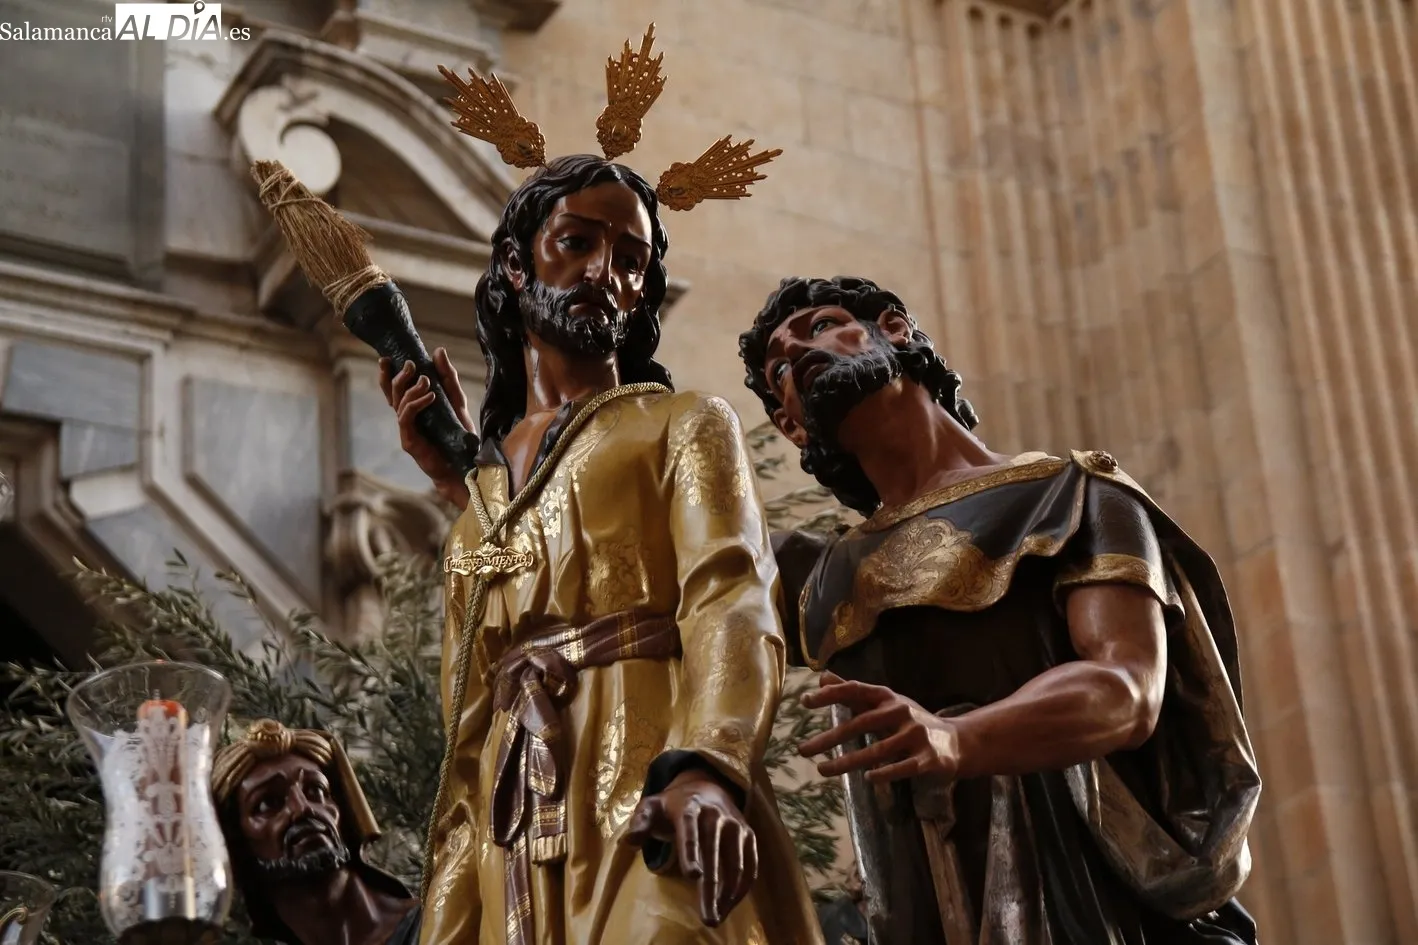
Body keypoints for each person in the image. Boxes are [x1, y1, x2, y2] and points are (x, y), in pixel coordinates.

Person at [377, 28, 821, 945]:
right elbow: (464, 745)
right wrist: (449, 917)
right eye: (576, 243)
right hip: (514, 826)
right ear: (517, 265)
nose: (603, 274)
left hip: (650, 778)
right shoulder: (478, 511)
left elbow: (731, 597)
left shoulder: (682, 423)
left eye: (630, 261)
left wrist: (710, 763)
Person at [737, 275, 1263, 944]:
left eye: (820, 326)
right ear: (789, 424)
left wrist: (959, 738)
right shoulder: (822, 576)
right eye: (778, 371)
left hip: (1085, 897)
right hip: (927, 908)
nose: (796, 355)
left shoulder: (1071, 496)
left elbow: (1127, 688)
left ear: (893, 329)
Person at [211, 719, 422, 945]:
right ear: (236, 841)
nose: (302, 808)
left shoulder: (438, 924)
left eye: (316, 790)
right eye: (268, 803)